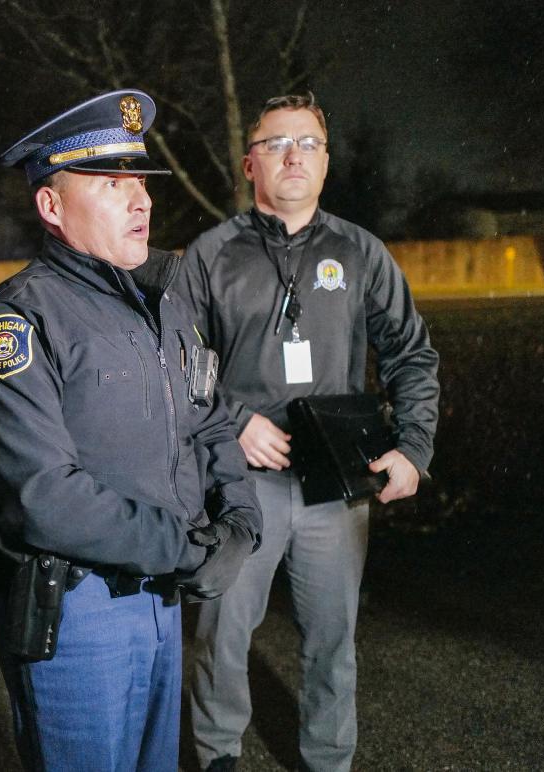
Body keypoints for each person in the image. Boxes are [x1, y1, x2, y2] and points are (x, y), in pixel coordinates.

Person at [0, 89, 262, 772]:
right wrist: (187, 551)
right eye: (111, 183)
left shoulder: (163, 304)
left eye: (141, 183)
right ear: (52, 207)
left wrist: (240, 522)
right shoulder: (18, 323)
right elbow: (45, 496)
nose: (141, 201)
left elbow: (209, 421)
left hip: (159, 596)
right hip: (77, 611)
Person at [175, 93, 440, 772]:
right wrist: (232, 422)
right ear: (249, 164)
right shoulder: (211, 255)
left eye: (309, 144)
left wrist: (412, 447)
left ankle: (328, 760)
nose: (294, 155)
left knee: (332, 640)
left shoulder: (359, 253)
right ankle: (217, 757)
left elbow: (410, 353)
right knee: (220, 634)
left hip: (335, 486)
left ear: (325, 163)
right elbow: (170, 360)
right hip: (241, 485)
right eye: (276, 144)